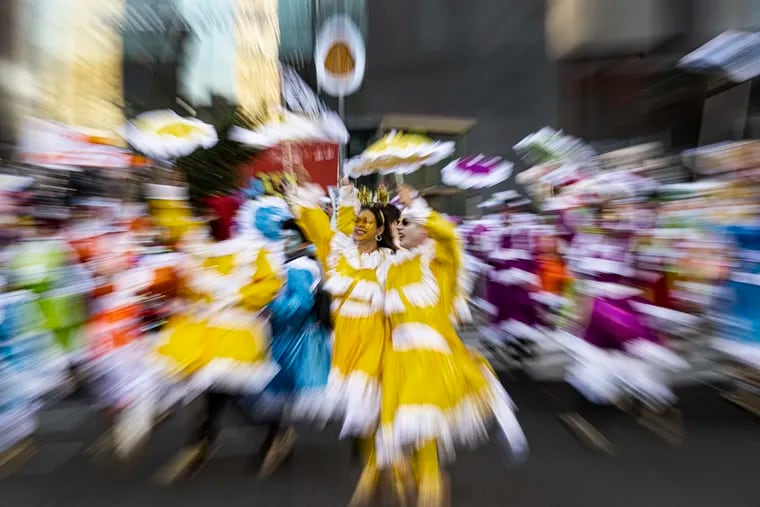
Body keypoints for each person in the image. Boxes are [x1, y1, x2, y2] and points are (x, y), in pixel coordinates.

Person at [378, 185, 528, 506]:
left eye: (408, 224)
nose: (401, 228)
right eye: (399, 223)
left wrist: (415, 204)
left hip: (429, 355)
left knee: (423, 420)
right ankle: (417, 475)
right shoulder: (394, 267)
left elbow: (447, 235)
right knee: (404, 425)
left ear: (424, 232)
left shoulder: (440, 262)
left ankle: (431, 484)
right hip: (397, 357)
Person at [153, 196, 284, 483]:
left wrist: (239, 297)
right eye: (204, 213)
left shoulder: (253, 251)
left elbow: (272, 284)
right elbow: (177, 232)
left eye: (211, 213)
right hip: (206, 332)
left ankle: (270, 434)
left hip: (237, 332)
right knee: (215, 391)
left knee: (225, 390)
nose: (206, 218)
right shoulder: (201, 250)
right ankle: (207, 442)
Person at [285, 179, 396, 504]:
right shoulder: (338, 254)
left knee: (372, 403)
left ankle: (377, 466)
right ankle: (372, 463)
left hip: (377, 337)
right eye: (358, 220)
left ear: (380, 230)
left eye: (367, 221)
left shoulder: (391, 261)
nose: (360, 225)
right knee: (358, 407)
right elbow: (321, 226)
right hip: (345, 340)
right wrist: (306, 195)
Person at [245, 218, 332, 477]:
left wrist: (270, 306)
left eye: (290, 238)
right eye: (282, 238)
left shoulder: (299, 267)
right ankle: (276, 440)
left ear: (304, 241)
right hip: (288, 338)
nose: (285, 243)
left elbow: (300, 304)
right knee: (272, 396)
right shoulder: (296, 264)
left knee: (272, 392)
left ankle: (276, 441)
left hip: (295, 341)